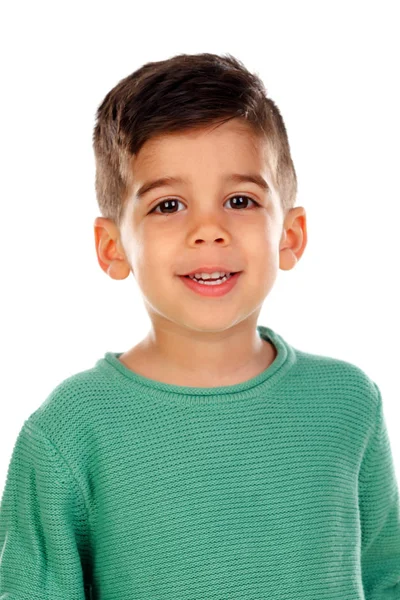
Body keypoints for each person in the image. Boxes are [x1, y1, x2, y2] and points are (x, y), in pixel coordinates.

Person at [0, 52, 399, 600]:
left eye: (239, 200)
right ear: (112, 247)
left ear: (291, 235)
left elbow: (385, 578)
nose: (208, 230)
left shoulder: (349, 402)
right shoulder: (70, 430)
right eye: (168, 205)